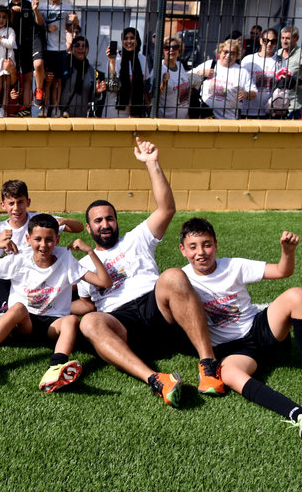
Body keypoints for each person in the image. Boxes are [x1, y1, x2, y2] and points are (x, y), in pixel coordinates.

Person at [77, 138, 225, 407]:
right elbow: (85, 304)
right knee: (89, 322)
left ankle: (208, 366)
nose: (105, 224)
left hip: (157, 308)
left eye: (109, 218)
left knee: (173, 275)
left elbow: (167, 209)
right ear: (89, 229)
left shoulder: (136, 238)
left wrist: (152, 163)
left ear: (116, 221)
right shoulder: (83, 265)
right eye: (98, 221)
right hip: (121, 322)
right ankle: (157, 380)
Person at [178, 217, 302, 443]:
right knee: (227, 375)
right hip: (232, 351)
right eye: (193, 247)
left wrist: (287, 252)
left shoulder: (233, 266)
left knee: (297, 295)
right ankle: (301, 415)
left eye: (207, 244)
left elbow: (282, 271)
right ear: (183, 250)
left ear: (216, 244)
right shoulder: (181, 280)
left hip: (259, 329)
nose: (201, 252)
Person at [0, 215, 112, 392]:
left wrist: (90, 252)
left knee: (71, 320)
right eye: (37, 239)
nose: (43, 245)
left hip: (53, 325)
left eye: (49, 240)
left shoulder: (66, 258)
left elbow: (105, 282)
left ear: (57, 240)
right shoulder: (20, 259)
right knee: (17, 307)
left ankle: (55, 369)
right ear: (28, 239)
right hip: (25, 323)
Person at [0, 179, 84, 319]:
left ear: (28, 202)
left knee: (66, 278)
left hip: (45, 274)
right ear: (3, 205)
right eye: (11, 203)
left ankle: (65, 297)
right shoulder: (2, 230)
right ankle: (5, 306)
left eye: (20, 202)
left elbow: (79, 228)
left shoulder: (39, 221)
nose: (16, 208)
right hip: (20, 277)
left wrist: (65, 221)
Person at [1, 0, 45, 115]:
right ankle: (26, 108)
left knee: (38, 65)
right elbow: (8, 28)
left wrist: (35, 10)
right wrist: (12, 13)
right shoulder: (7, 8)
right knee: (26, 77)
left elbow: (40, 23)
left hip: (34, 39)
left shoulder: (28, 3)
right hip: (20, 45)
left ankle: (39, 92)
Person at [39, 0, 78, 115]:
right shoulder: (42, 7)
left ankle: (56, 107)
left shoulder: (67, 8)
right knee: (47, 80)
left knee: (58, 81)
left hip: (61, 49)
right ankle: (43, 107)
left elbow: (70, 27)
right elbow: (38, 26)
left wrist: (76, 21)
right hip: (47, 49)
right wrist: (46, 28)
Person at [196, 39, 256, 119]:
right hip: (205, 117)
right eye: (226, 52)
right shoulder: (210, 64)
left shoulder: (242, 72)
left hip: (229, 119)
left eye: (232, 53)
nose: (228, 55)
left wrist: (246, 94)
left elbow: (254, 92)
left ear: (237, 55)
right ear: (220, 52)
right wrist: (200, 72)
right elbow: (189, 76)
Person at [155, 35, 209, 119]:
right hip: (166, 120)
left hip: (184, 119)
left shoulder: (180, 65)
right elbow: (152, 96)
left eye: (175, 47)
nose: (171, 50)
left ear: (179, 51)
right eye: (167, 47)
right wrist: (163, 83)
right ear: (162, 51)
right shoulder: (159, 69)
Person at [105, 27, 151, 118]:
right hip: (115, 111)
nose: (129, 41)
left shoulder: (143, 59)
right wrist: (112, 62)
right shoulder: (116, 59)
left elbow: (146, 88)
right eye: (126, 38)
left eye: (132, 38)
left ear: (137, 40)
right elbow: (112, 87)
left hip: (136, 111)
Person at [57, 35, 107, 118]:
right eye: (77, 45)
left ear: (88, 49)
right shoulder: (64, 65)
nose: (81, 48)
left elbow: (91, 99)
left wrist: (97, 92)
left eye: (84, 46)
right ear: (72, 48)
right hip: (61, 117)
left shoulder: (91, 70)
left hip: (80, 119)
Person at [240, 28, 282, 118]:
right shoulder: (248, 59)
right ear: (260, 41)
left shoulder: (280, 61)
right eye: (266, 40)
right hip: (248, 110)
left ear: (276, 43)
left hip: (270, 110)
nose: (269, 44)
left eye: (273, 41)